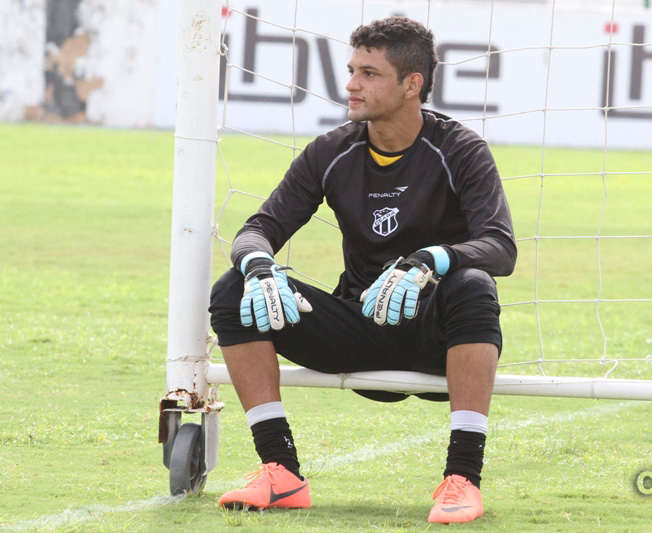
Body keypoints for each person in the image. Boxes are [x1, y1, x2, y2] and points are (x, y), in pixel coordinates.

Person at [208, 15, 516, 524]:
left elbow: (500, 246)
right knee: (233, 288)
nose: (351, 84)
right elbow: (258, 228)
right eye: (352, 70)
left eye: (369, 74)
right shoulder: (331, 151)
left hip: (437, 340)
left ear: (412, 84)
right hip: (359, 326)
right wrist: (258, 262)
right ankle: (280, 471)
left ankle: (462, 480)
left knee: (474, 285)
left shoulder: (460, 149)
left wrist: (433, 258)